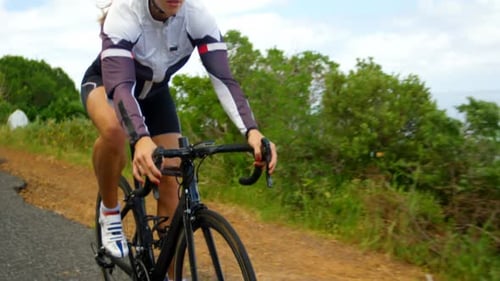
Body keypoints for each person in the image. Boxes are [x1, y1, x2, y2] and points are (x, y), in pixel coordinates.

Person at [80, 0, 278, 259]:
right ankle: (109, 210)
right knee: (116, 131)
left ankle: (169, 273)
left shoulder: (197, 16)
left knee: (171, 180)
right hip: (107, 86)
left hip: (155, 95)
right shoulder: (125, 12)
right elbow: (121, 86)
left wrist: (251, 130)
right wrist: (140, 138)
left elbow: (223, 79)